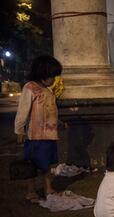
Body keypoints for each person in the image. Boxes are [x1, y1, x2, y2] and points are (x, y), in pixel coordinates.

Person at [14, 55, 63, 203]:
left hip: (50, 136)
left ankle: (48, 188)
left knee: (47, 165)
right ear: (43, 75)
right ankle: (31, 191)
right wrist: (19, 130)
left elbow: (50, 112)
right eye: (52, 76)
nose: (54, 79)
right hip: (35, 136)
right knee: (33, 165)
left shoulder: (48, 90)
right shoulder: (30, 88)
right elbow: (22, 111)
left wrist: (59, 122)